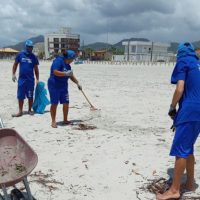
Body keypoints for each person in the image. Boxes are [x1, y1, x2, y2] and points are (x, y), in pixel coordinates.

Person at [156, 42, 200, 200]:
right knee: (188, 147)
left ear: (180, 54)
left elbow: (179, 88)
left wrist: (172, 107)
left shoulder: (183, 61)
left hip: (189, 110)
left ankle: (174, 190)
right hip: (199, 110)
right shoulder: (197, 63)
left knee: (181, 149)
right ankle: (189, 183)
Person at [48, 49, 82, 128]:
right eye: (72, 59)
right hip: (54, 85)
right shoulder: (58, 61)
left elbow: (70, 75)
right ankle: (53, 121)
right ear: (68, 58)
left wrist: (77, 83)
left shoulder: (68, 65)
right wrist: (65, 73)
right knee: (54, 103)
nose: (72, 61)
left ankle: (65, 119)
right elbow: (55, 72)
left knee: (66, 102)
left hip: (63, 86)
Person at [12, 39, 39, 117]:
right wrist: (13, 74)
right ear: (26, 46)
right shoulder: (20, 54)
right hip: (21, 80)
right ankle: (20, 111)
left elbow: (36, 69)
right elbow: (15, 65)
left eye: (31, 47)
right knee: (20, 95)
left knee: (30, 95)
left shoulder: (33, 57)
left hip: (30, 80)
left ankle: (30, 110)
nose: (30, 48)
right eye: (29, 47)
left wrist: (37, 79)